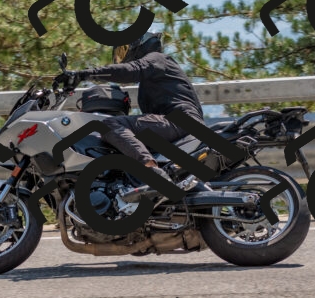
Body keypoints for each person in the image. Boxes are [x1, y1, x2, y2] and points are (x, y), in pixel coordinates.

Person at [54, 32, 205, 201]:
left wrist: (83, 74)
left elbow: (130, 70)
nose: (122, 58)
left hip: (180, 120)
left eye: (123, 50)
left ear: (138, 45)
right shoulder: (150, 83)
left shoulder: (158, 58)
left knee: (109, 125)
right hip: (176, 124)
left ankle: (152, 172)